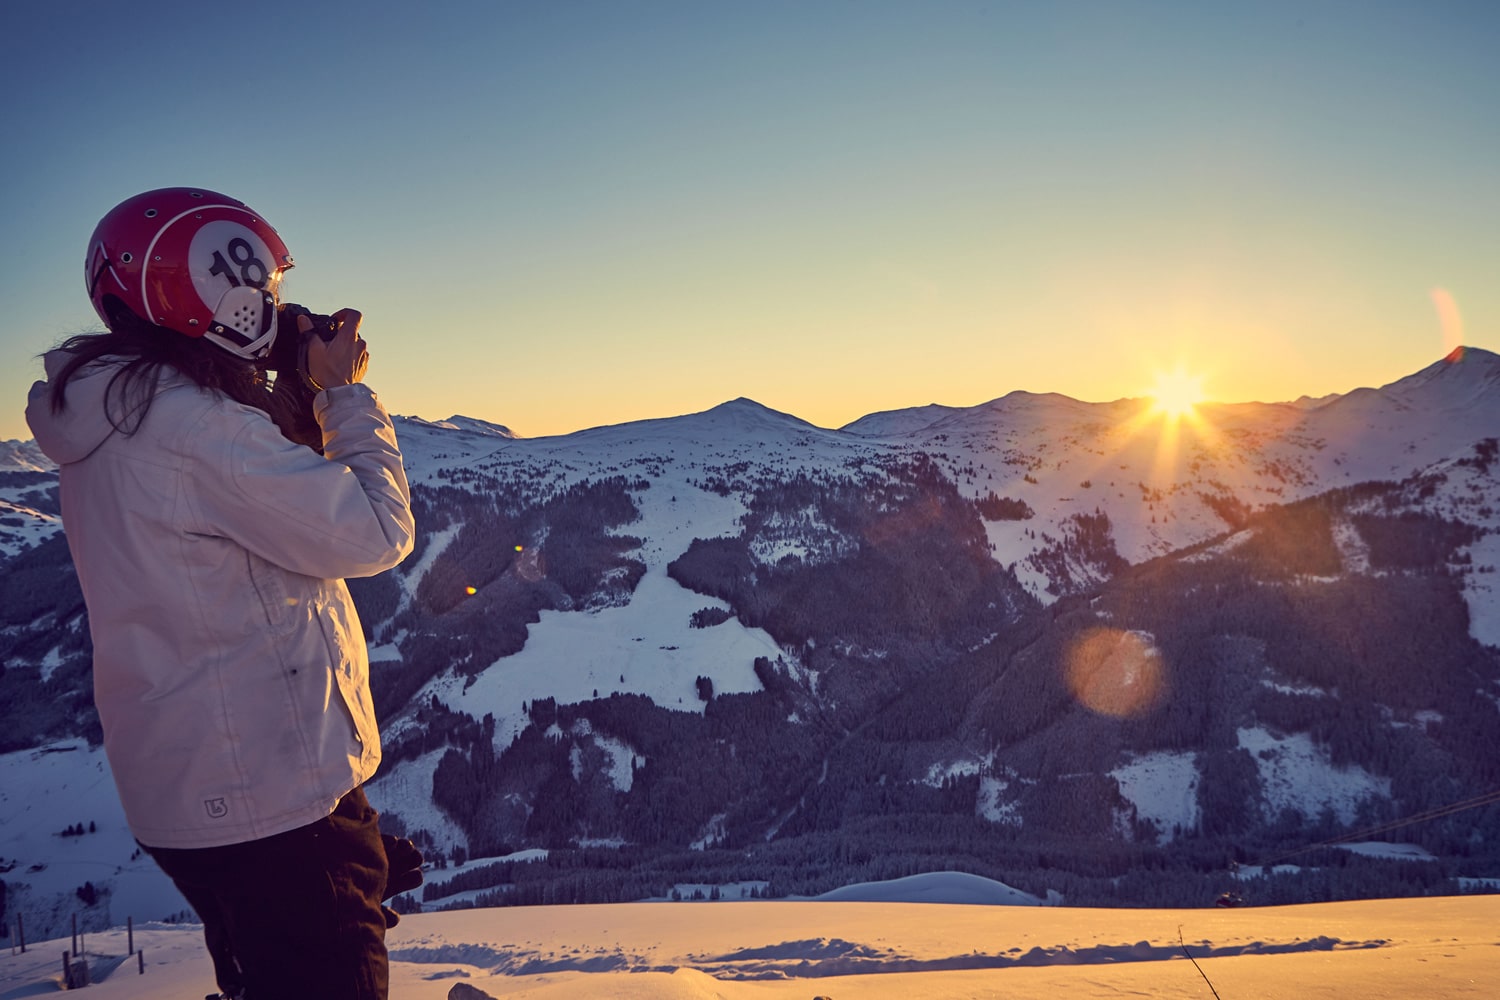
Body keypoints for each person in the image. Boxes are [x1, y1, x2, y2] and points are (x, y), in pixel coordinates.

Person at [25, 187, 417, 1000]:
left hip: (200, 792)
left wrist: (288, 389)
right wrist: (343, 393)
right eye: (259, 286)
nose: (271, 303)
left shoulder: (120, 407)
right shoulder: (195, 429)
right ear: (212, 287)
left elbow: (263, 494)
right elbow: (375, 533)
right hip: (272, 801)